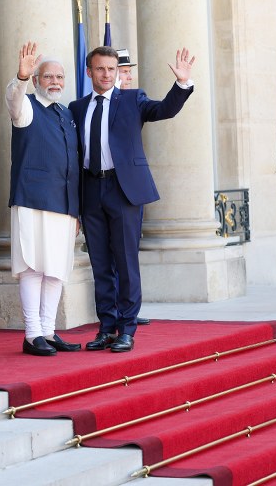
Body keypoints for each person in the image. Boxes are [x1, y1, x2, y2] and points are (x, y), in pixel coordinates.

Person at [69, 45, 194, 352]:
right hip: (90, 190)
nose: (107, 74)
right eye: (100, 69)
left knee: (126, 261)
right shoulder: (77, 107)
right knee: (100, 264)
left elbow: (164, 109)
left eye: (111, 69)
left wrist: (181, 85)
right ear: (89, 72)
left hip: (124, 190)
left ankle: (127, 327)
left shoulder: (132, 99)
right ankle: (107, 327)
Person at [6, 41, 81, 356]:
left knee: (56, 270)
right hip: (33, 200)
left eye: (60, 78)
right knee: (33, 268)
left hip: (63, 205)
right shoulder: (26, 108)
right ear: (37, 81)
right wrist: (20, 78)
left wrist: (76, 211)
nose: (55, 82)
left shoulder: (66, 113)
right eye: (48, 77)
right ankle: (31, 334)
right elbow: (13, 99)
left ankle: (49, 332)